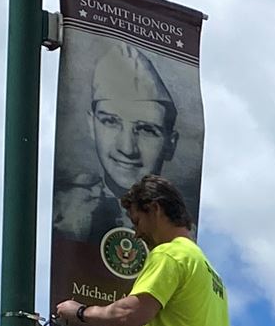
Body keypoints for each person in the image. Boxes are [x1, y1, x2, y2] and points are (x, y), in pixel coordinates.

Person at [55, 175, 232, 326]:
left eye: (137, 222)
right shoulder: (205, 268)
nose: (137, 234)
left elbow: (128, 314)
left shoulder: (169, 254)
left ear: (155, 209)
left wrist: (80, 312)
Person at [53, 44, 180, 245]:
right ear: (91, 125)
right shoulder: (62, 214)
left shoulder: (181, 236)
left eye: (147, 130)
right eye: (111, 122)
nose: (127, 148)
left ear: (170, 144)